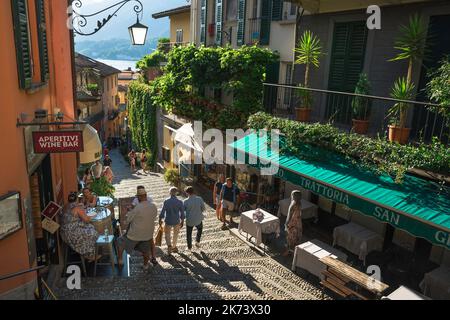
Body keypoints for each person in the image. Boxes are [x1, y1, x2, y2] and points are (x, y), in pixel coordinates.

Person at [117, 187, 158, 270]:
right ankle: (145, 265)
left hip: (135, 234)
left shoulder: (137, 207)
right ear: (146, 196)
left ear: (139, 197)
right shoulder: (153, 206)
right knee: (146, 251)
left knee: (119, 241)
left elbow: (128, 220)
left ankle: (120, 260)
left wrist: (129, 211)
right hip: (148, 234)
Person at [60, 192, 99, 262]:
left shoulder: (65, 206)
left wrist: (82, 207)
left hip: (64, 233)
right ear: (77, 199)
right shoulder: (77, 208)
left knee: (89, 227)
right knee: (93, 233)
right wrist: (95, 215)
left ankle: (87, 252)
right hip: (72, 234)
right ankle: (89, 255)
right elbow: (87, 219)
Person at [159, 187, 184, 255]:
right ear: (176, 193)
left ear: (170, 193)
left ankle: (169, 246)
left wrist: (160, 219)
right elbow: (182, 213)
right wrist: (182, 221)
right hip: (176, 220)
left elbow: (162, 211)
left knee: (167, 234)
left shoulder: (166, 201)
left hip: (168, 220)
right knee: (175, 234)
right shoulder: (180, 202)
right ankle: (174, 246)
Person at [183, 187, 206, 251]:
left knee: (189, 234)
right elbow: (203, 208)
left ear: (187, 193)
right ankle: (197, 241)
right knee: (200, 229)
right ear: (193, 191)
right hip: (198, 219)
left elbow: (183, 211)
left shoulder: (185, 201)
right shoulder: (199, 199)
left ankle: (189, 247)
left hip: (190, 220)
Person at [283, 190, 303, 256]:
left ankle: (287, 252)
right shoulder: (299, 203)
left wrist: (286, 224)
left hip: (292, 224)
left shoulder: (293, 204)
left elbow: (289, 215)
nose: (291, 196)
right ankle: (294, 252)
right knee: (296, 238)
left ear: (294, 196)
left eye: (292, 195)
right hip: (298, 224)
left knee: (289, 238)